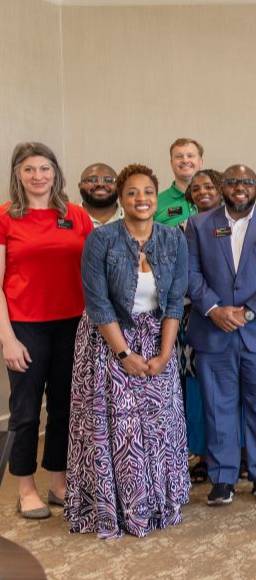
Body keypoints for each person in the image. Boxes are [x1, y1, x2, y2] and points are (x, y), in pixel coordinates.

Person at [66, 163, 190, 538]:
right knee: (119, 428)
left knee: (158, 425)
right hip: (108, 342)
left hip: (157, 339)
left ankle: (157, 507)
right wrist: (124, 354)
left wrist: (165, 353)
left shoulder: (173, 239)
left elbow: (174, 302)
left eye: (148, 192)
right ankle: (115, 510)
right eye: (132, 192)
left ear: (157, 197)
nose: (141, 199)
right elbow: (99, 303)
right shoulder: (101, 240)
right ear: (121, 198)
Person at [185, 164, 256, 506]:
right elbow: (189, 272)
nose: (240, 187)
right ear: (223, 187)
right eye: (233, 181)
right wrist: (214, 309)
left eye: (247, 182)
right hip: (213, 330)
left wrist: (248, 311)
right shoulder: (198, 225)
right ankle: (223, 478)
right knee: (218, 407)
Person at [2, 142, 94, 519]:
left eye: (44, 169)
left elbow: (93, 272)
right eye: (29, 170)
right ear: (18, 175)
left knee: (64, 408)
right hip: (25, 326)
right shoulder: (6, 217)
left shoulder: (75, 215)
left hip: (72, 324)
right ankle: (25, 487)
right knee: (25, 412)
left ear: (55, 173)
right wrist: (6, 338)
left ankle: (59, 481)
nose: (38, 176)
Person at [181, 168, 225, 484]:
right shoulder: (186, 228)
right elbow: (187, 274)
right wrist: (210, 306)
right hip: (197, 316)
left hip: (236, 317)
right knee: (199, 389)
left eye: (209, 186)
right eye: (196, 189)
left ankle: (237, 452)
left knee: (234, 389)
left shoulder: (239, 225)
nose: (202, 192)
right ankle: (205, 454)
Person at [156, 138, 203, 227]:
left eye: (190, 156)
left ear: (200, 162)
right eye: (179, 156)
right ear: (171, 163)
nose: (185, 160)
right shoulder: (155, 202)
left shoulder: (217, 200)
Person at [78, 163, 122, 228]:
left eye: (108, 180)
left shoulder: (134, 218)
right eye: (92, 180)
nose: (100, 184)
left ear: (119, 186)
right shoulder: (66, 218)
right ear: (80, 186)